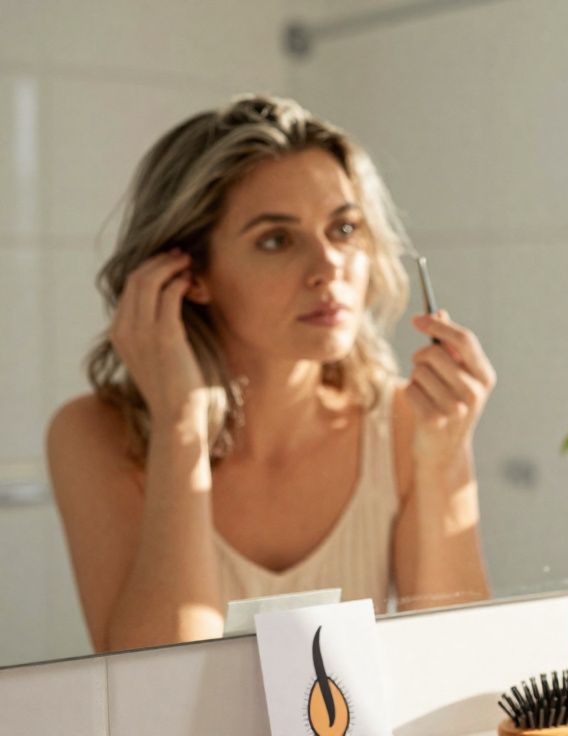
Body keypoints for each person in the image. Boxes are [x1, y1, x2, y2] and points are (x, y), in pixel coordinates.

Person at [46, 95, 496, 653]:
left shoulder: (407, 422)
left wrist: (446, 456)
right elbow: (151, 694)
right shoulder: (95, 435)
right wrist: (180, 426)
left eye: (345, 228)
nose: (329, 264)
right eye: (276, 239)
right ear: (190, 274)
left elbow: (455, 660)